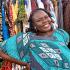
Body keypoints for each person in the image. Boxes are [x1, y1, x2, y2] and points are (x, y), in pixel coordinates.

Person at [0, 8, 70, 70]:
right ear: (33, 25)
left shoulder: (61, 34)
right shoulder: (27, 38)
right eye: (39, 20)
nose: (45, 21)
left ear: (51, 18)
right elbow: (1, 51)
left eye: (46, 17)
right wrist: (24, 63)